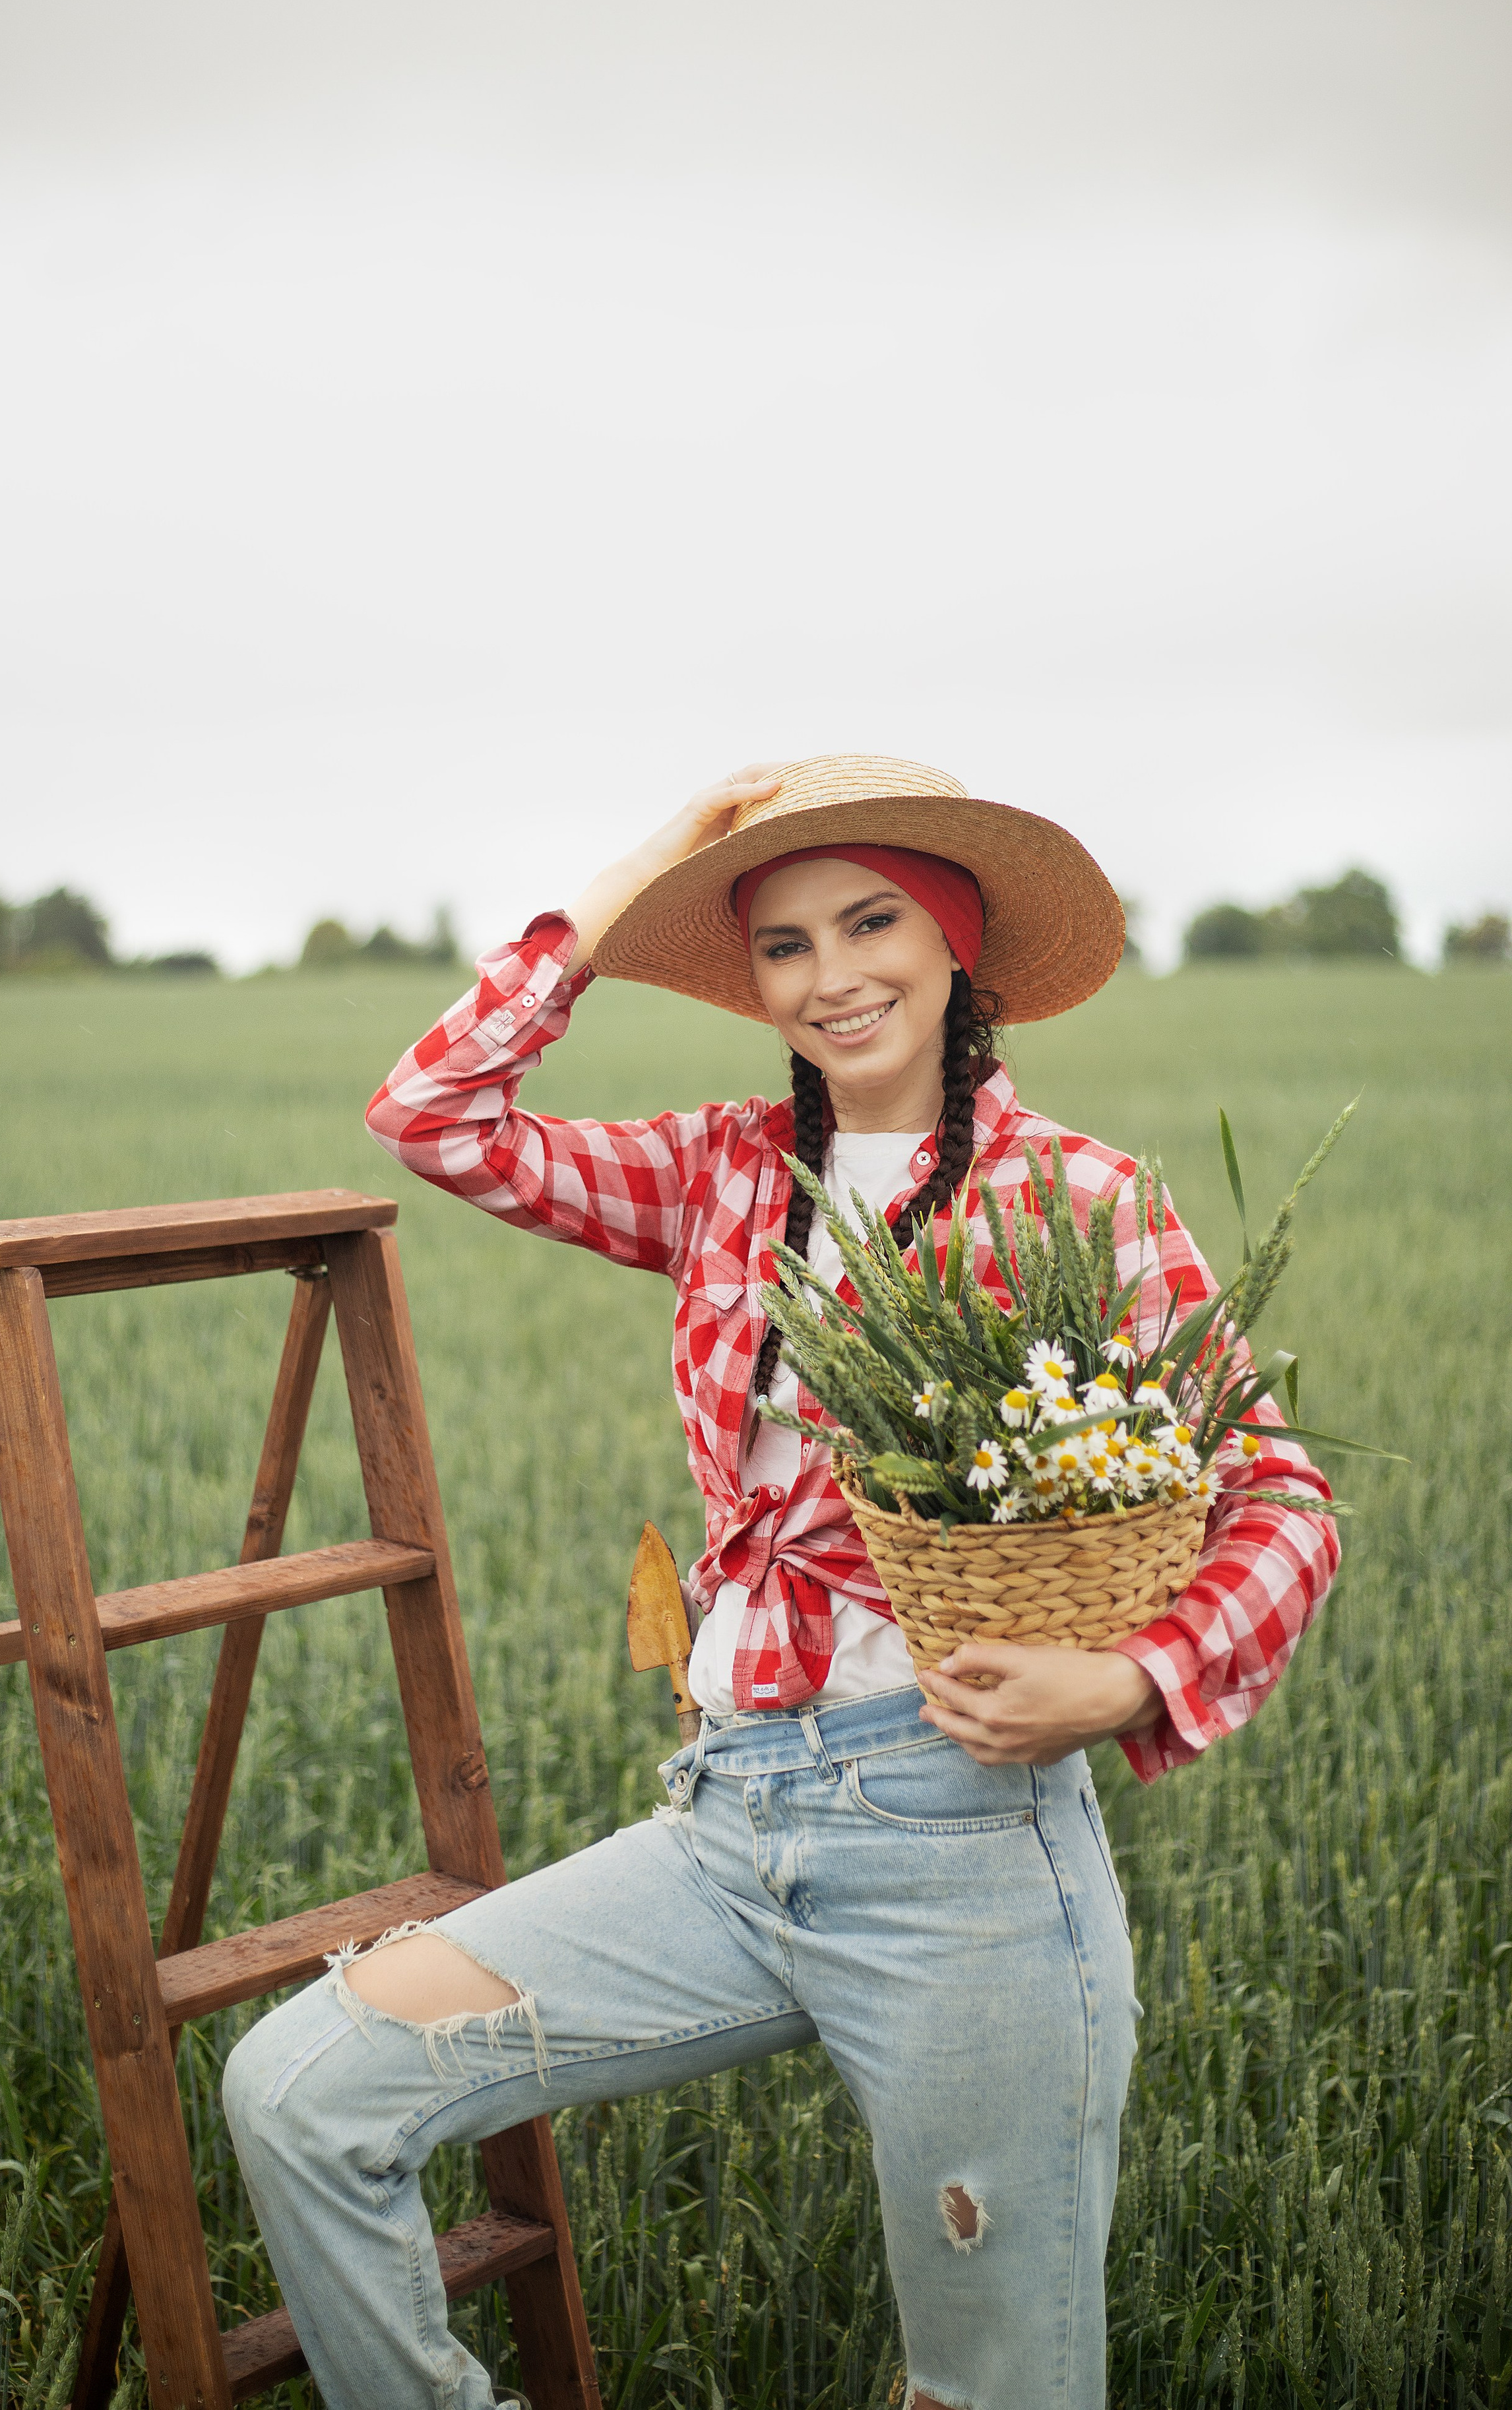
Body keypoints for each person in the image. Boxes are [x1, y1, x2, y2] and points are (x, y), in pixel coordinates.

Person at [223, 754, 1339, 2410]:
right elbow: (435, 1118)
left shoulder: (1084, 1199)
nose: (833, 977)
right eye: (783, 945)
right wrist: (618, 897)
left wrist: (1126, 1681)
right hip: (727, 1829)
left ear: (959, 947)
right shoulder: (725, 1170)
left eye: (873, 923)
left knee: (987, 2392)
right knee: (302, 2086)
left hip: (963, 1859)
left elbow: (1278, 1495)